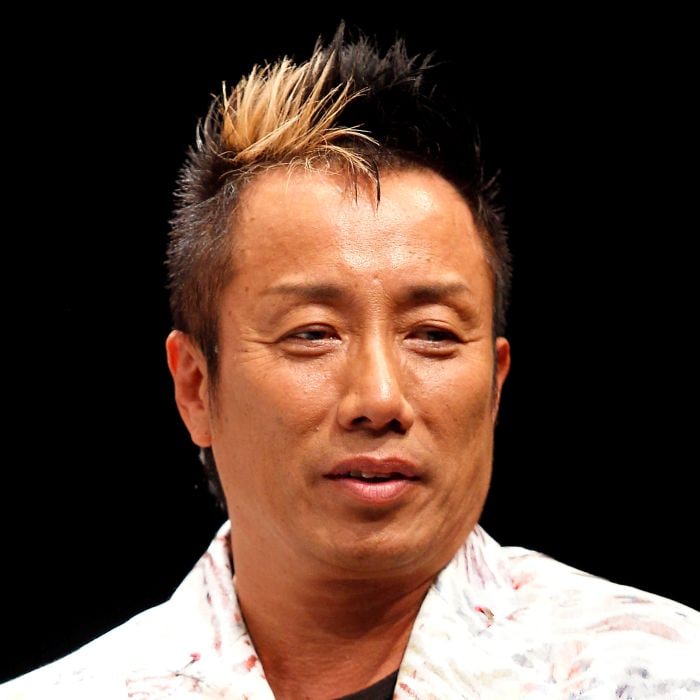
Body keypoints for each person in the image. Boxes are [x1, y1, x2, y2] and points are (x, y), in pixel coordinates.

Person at [3, 26, 699, 700]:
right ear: (195, 387)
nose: (379, 397)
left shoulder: (662, 675)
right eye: (313, 334)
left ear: (495, 386)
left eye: (432, 334)